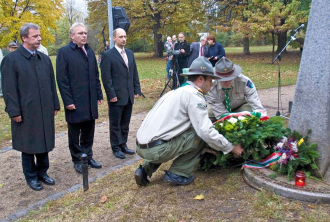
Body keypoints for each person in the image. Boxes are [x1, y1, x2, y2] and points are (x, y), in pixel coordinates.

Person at [134, 57, 243, 186]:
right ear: (201, 79)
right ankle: (178, 173)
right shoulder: (194, 96)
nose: (213, 84)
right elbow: (205, 131)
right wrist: (230, 147)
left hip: (142, 146)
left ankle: (144, 170)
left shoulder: (176, 92)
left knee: (176, 134)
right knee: (199, 135)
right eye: (211, 80)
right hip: (157, 149)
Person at [1, 23, 60, 191]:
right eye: (35, 36)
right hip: (25, 112)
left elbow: (51, 84)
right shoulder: (11, 60)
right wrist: (14, 111)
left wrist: (55, 104)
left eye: (39, 35)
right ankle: (31, 176)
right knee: (28, 145)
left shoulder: (44, 58)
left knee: (44, 142)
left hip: (44, 109)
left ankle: (43, 172)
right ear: (24, 38)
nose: (39, 38)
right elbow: (9, 90)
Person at [56, 22, 103, 174]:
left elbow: (96, 75)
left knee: (89, 130)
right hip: (75, 101)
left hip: (90, 100)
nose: (84, 35)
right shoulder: (64, 52)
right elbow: (62, 79)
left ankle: (88, 156)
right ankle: (77, 159)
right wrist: (68, 101)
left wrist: (99, 93)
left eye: (85, 33)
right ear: (72, 36)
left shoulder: (89, 51)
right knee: (75, 132)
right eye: (80, 33)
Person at [101, 28, 141, 159]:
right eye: (120, 37)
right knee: (115, 123)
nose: (123, 39)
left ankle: (123, 143)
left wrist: (136, 89)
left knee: (125, 122)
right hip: (116, 96)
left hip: (128, 94)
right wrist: (111, 95)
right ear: (114, 39)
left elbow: (134, 73)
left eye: (124, 36)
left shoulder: (130, 54)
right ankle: (116, 147)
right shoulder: (108, 55)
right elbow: (106, 78)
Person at [207, 57, 266, 122]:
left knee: (250, 111)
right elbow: (220, 114)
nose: (227, 82)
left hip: (241, 108)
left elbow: (256, 106)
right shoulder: (211, 87)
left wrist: (262, 118)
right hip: (220, 110)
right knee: (206, 116)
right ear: (217, 77)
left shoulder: (244, 82)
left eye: (230, 78)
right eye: (223, 79)